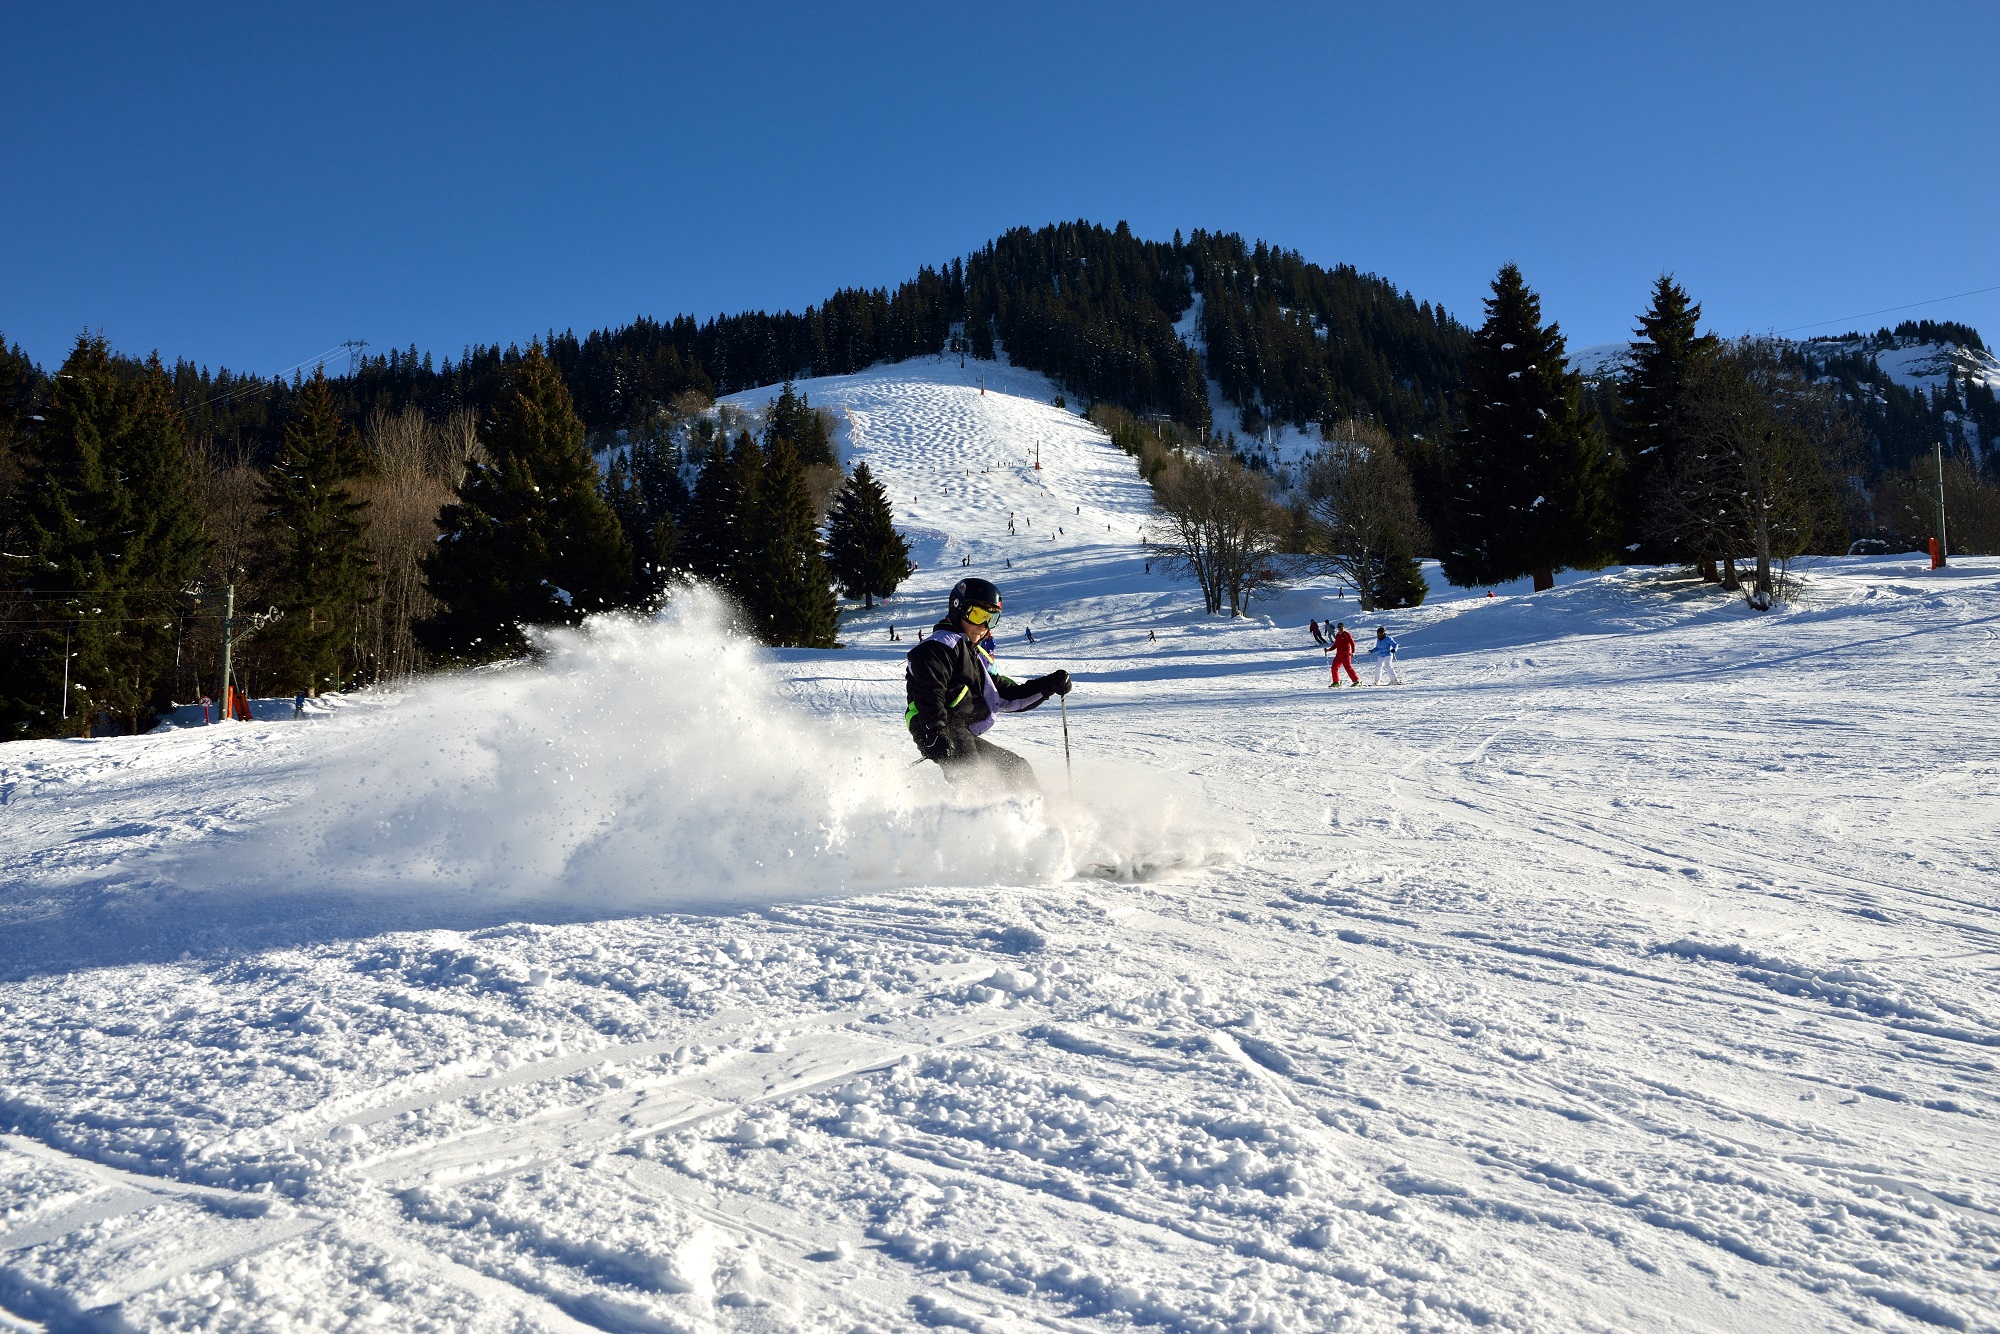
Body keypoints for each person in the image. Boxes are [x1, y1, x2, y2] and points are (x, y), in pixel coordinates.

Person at [905, 577, 1072, 793]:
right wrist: (935, 730)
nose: (984, 626)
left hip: (957, 729)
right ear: (957, 609)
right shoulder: (938, 647)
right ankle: (978, 821)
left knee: (1017, 768)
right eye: (978, 615)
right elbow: (930, 690)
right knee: (974, 778)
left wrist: (1049, 685)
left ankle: (1045, 818)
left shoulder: (975, 656)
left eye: (992, 619)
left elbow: (1008, 695)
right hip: (938, 726)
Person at [1329, 622, 1359, 687]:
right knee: (1334, 667)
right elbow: (1336, 645)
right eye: (1339, 627)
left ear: (1343, 627)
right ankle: (1336, 682)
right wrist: (1329, 650)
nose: (1340, 628)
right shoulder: (1337, 636)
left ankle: (1356, 681)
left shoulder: (1347, 634)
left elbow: (1352, 643)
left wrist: (1353, 652)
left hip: (1346, 654)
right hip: (1338, 655)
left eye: (1341, 627)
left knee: (1348, 668)